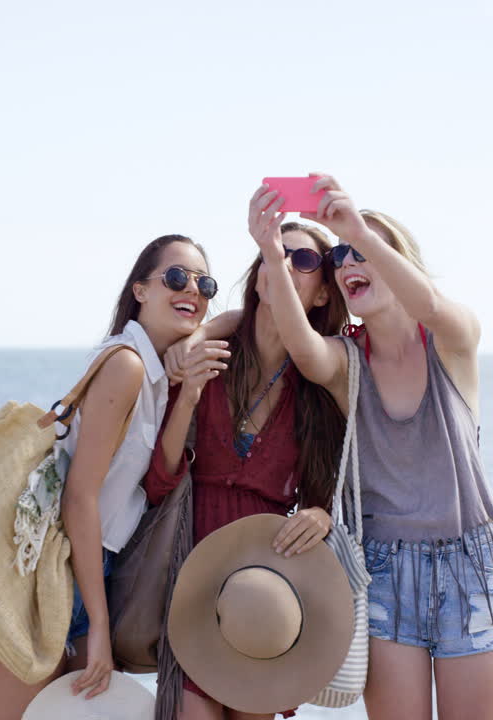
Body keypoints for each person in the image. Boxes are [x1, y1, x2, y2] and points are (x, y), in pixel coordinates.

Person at [248, 176, 493, 720]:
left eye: (367, 250)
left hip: (471, 564)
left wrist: (356, 231)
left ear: (402, 262)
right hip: (385, 572)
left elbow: (432, 304)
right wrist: (271, 254)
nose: (350, 260)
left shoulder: (452, 338)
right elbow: (302, 348)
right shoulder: (347, 362)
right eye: (341, 256)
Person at [0, 234, 229, 720]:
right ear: (140, 291)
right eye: (176, 277)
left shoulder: (155, 375)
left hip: (80, 572)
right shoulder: (127, 366)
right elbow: (79, 499)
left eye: (205, 283)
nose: (192, 290)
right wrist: (99, 628)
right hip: (50, 576)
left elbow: (235, 321)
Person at [145, 221, 349, 720]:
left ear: (323, 292)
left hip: (264, 591)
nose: (280, 264)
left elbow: (330, 495)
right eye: (272, 255)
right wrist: (190, 386)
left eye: (301, 261)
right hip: (189, 576)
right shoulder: (206, 356)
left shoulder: (319, 388)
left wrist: (321, 516)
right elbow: (157, 482)